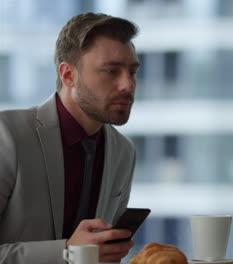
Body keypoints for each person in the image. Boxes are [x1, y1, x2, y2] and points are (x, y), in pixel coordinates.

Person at [0, 12, 140, 263]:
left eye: (132, 72)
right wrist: (67, 251)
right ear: (68, 75)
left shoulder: (123, 151)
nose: (127, 85)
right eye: (111, 71)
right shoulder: (7, 135)